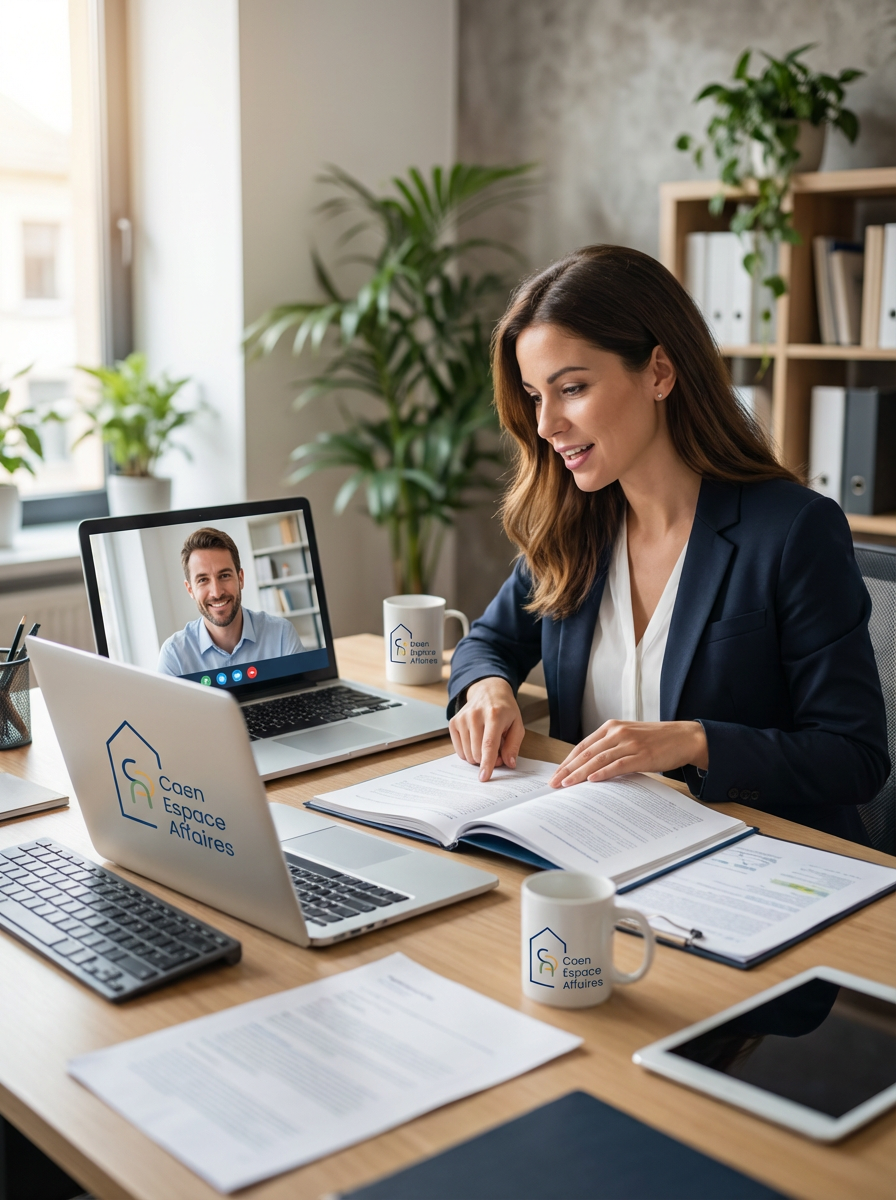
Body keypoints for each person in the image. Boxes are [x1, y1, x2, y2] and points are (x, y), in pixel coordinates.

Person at [447, 245, 889, 844]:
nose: (546, 424)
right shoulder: (574, 524)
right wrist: (487, 689)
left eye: (571, 388)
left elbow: (854, 758)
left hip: (749, 863)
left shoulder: (792, 531)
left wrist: (695, 741)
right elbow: (488, 642)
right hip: (596, 848)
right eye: (533, 396)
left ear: (659, 371)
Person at [158, 527, 303, 676]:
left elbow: (302, 695)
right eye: (203, 580)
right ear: (190, 590)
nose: (216, 592)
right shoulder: (174, 655)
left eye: (224, 576)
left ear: (240, 579)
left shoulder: (281, 634)